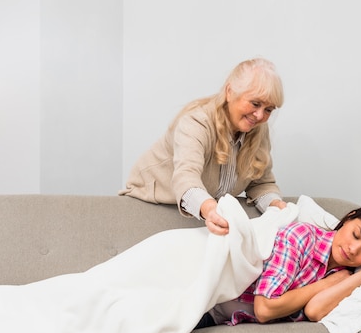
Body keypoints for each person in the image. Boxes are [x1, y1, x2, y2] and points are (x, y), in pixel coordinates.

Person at [119, 58, 287, 235]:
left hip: (201, 213)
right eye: (255, 103)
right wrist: (210, 209)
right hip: (150, 205)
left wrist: (276, 205)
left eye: (269, 109)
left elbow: (260, 183)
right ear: (230, 92)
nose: (260, 115)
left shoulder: (258, 130)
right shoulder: (196, 122)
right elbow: (186, 176)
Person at [196, 202, 361, 328]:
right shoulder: (302, 236)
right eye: (356, 235)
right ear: (350, 217)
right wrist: (328, 284)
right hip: (202, 303)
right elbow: (264, 308)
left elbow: (315, 311)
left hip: (218, 319)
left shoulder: (346, 275)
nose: (353, 249)